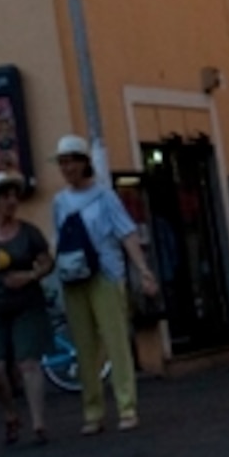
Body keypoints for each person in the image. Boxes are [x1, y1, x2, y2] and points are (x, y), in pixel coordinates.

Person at [48, 134, 154, 435]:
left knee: (115, 340)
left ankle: (126, 406)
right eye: (62, 162)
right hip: (72, 277)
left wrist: (142, 270)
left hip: (105, 273)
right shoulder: (59, 202)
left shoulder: (105, 197)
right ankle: (92, 410)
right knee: (84, 347)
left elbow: (126, 234)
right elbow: (57, 238)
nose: (66, 167)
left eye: (71, 161)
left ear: (84, 164)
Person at [0, 171, 54, 445]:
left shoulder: (29, 233)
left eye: (14, 195)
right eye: (5, 197)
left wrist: (29, 276)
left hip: (26, 305)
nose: (12, 201)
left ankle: (38, 424)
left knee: (28, 362)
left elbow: (47, 262)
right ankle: (10, 412)